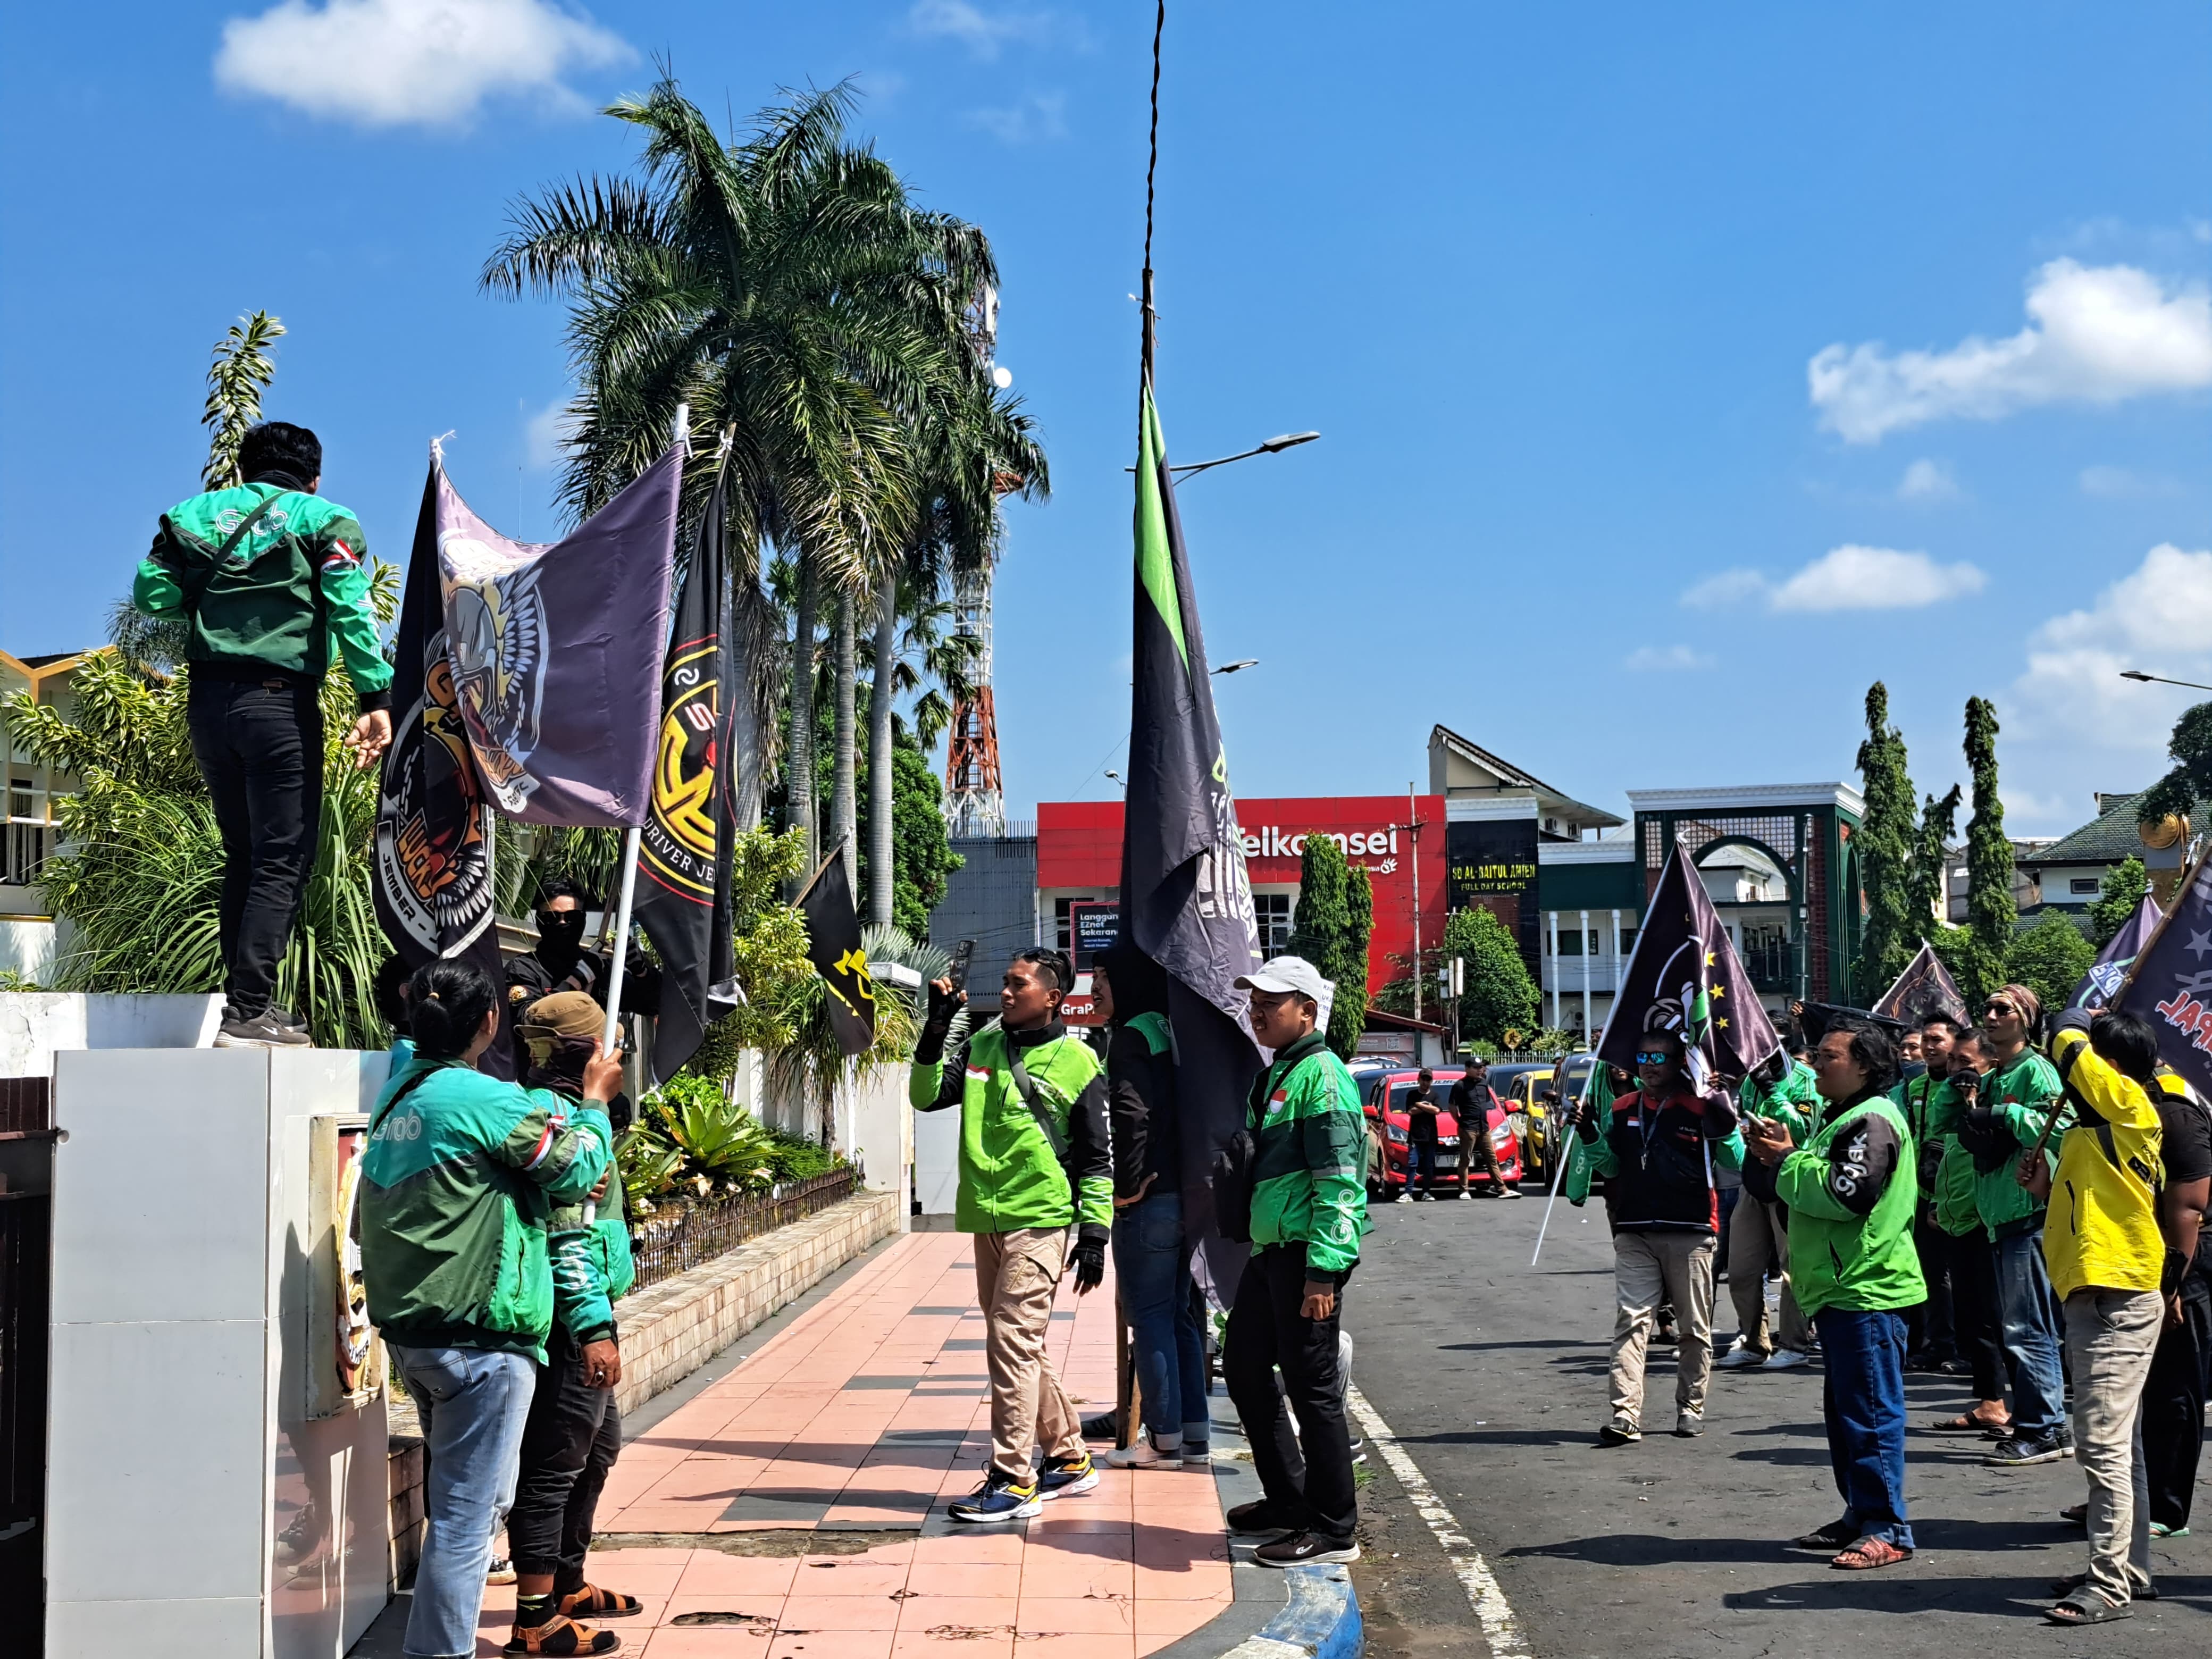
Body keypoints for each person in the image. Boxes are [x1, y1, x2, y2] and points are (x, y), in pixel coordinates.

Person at [360, 960, 622, 1659]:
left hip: (416, 1336)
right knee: (468, 1522)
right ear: (488, 1024)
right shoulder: (484, 1099)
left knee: (460, 1510)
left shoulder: (397, 1099)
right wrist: (596, 1103)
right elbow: (576, 1170)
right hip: (481, 1340)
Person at [133, 420, 393, 1049]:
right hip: (278, 705)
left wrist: (213, 599)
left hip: (207, 705)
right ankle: (250, 1013)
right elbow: (349, 605)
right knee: (283, 859)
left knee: (244, 858)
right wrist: (374, 696)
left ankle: (245, 1005)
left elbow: (151, 594)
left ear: (244, 469)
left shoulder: (189, 516)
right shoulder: (324, 519)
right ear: (314, 476)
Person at [911, 948, 1111, 1521]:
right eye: (1003, 982)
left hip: (1041, 1219)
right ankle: (1070, 1458)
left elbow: (1097, 1159)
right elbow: (924, 1098)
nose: (1004, 992)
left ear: (1051, 997)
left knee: (1010, 1342)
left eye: (1017, 984)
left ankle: (1013, 1477)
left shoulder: (1079, 1062)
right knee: (1021, 1345)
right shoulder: (980, 1048)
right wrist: (934, 1032)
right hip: (985, 1218)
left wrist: (1093, 1235)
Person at [1748, 1019, 1922, 1571]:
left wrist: (1786, 1159)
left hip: (1866, 1288)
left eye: (1828, 1057)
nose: (1815, 1065)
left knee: (1869, 1413)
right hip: (1842, 1289)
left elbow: (1844, 1195)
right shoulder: (1843, 1118)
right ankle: (1859, 1512)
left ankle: (1885, 1527)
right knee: (1847, 1413)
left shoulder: (1870, 1120)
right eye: (1816, 1055)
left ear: (1865, 1066)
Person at [1219, 956, 1369, 1566]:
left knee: (1312, 1392)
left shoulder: (1323, 1078)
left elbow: (1339, 1182)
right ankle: (1287, 1498)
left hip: (1305, 1256)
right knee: (1244, 1369)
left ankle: (1334, 1529)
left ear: (1307, 1011)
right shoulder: (1279, 1073)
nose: (1256, 1011)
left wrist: (1322, 1273)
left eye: (1270, 1003)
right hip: (1271, 1251)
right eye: (1252, 1001)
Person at [504, 992, 642, 1654]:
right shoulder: (560, 1117)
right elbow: (570, 1237)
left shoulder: (577, 1114)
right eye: (609, 1037)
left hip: (588, 1308)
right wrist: (592, 1325)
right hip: (569, 1317)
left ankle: (567, 1582)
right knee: (556, 1462)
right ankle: (534, 1618)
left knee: (598, 1449)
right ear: (587, 1051)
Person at [2021, 1010, 2168, 1623]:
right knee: (2121, 1444)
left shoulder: (2130, 1103)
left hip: (2116, 1294)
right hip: (2095, 1291)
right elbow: (2085, 1210)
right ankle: (2127, 1569)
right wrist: (2043, 1185)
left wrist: (2073, 1019)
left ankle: (2106, 1586)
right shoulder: (2091, 1130)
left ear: (2110, 1068)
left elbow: (2068, 1043)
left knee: (2099, 1445)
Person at [1573, 1023, 1742, 1444]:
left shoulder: (1700, 1107)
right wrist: (1590, 1134)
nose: (1648, 1066)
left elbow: (1735, 1161)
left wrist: (1725, 1112)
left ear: (1677, 1061)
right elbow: (1610, 1168)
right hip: (1634, 1230)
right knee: (1632, 1323)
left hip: (1690, 1230)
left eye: (1658, 1057)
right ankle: (1626, 1414)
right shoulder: (1622, 1107)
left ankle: (1691, 1406)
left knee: (1693, 1328)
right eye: (1642, 1058)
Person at [1093, 944, 1211, 1471]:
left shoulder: (1130, 1038)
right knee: (1182, 1317)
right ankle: (1193, 1432)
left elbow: (1130, 1116)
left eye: (1101, 978)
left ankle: (1162, 1441)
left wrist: (1126, 1186)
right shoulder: (1167, 1027)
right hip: (1186, 1194)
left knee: (1151, 1320)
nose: (1093, 990)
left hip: (1151, 1200)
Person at [1956, 984, 2072, 1468]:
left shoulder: (2037, 1070)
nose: (1990, 1014)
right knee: (2022, 1324)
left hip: (2027, 1214)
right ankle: (2043, 1419)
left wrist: (2006, 1112)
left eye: (2003, 1008)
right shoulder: (1993, 1074)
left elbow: (2062, 1126)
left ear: (2026, 1019)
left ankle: (2043, 1427)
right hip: (1999, 1214)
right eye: (1986, 1007)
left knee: (2027, 1327)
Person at [1921, 1029, 2014, 1436]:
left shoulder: (1993, 1102)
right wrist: (1939, 1204)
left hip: (1988, 1222)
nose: (1956, 1070)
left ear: (1990, 1066)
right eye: (1953, 1061)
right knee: (1973, 1318)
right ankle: (1989, 1402)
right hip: (1955, 1219)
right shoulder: (1954, 1104)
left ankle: (2023, 1408)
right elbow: (1938, 1138)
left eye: (1966, 1063)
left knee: (1998, 1319)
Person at [2139, 1068, 2212, 1539]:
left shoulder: (2175, 1110)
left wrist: (2173, 1287)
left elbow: (2188, 1208)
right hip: (2144, 1256)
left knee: (2174, 1386)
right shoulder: (2130, 1105)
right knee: (2142, 1390)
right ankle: (2132, 1495)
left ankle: (2165, 1507)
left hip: (2183, 1262)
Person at [1717, 1049, 1822, 1371]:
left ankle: (1794, 1343)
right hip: (1754, 1181)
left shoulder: (1806, 1081)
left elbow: (1801, 1128)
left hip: (1788, 1182)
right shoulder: (1750, 1079)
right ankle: (1753, 1341)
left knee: (1792, 1269)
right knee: (1741, 1268)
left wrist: (1772, 1091)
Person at [507, 878, 662, 1076]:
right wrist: (576, 981)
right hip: (544, 1081)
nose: (563, 923)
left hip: (594, 1081)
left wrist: (642, 971)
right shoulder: (523, 969)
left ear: (583, 921)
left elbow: (653, 1005)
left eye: (571, 917)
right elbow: (527, 1022)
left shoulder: (600, 968)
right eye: (553, 917)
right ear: (539, 922)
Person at [1897, 1013, 1964, 1370]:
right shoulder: (1914, 1087)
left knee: (1960, 1274)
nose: (1929, 1047)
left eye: (1937, 1040)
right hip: (1920, 1191)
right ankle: (1935, 1344)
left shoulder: (1962, 1084)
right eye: (1926, 1040)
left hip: (1957, 1192)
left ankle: (1960, 1346)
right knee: (1928, 1272)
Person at [1452, 1059, 1516, 1198]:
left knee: (1491, 1159)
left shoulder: (1483, 1083)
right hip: (1468, 1128)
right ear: (1467, 1068)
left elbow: (1486, 1103)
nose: (1479, 1070)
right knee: (1466, 1159)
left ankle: (1502, 1189)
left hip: (1484, 1127)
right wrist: (1460, 1121)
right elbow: (1452, 1106)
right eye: (1475, 1068)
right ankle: (1464, 1190)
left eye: (1480, 1067)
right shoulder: (1460, 1085)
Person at [1404, 1068, 1444, 1199]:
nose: (1425, 1083)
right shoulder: (1412, 1094)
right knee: (1412, 1164)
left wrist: (1420, 1105)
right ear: (1419, 1080)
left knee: (1428, 1166)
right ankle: (1408, 1192)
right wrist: (1426, 1107)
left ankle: (1426, 1192)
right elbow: (1411, 1112)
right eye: (1423, 1079)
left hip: (1430, 1136)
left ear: (1431, 1081)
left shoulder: (1435, 1095)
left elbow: (1436, 1110)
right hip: (1415, 1136)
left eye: (1428, 1080)